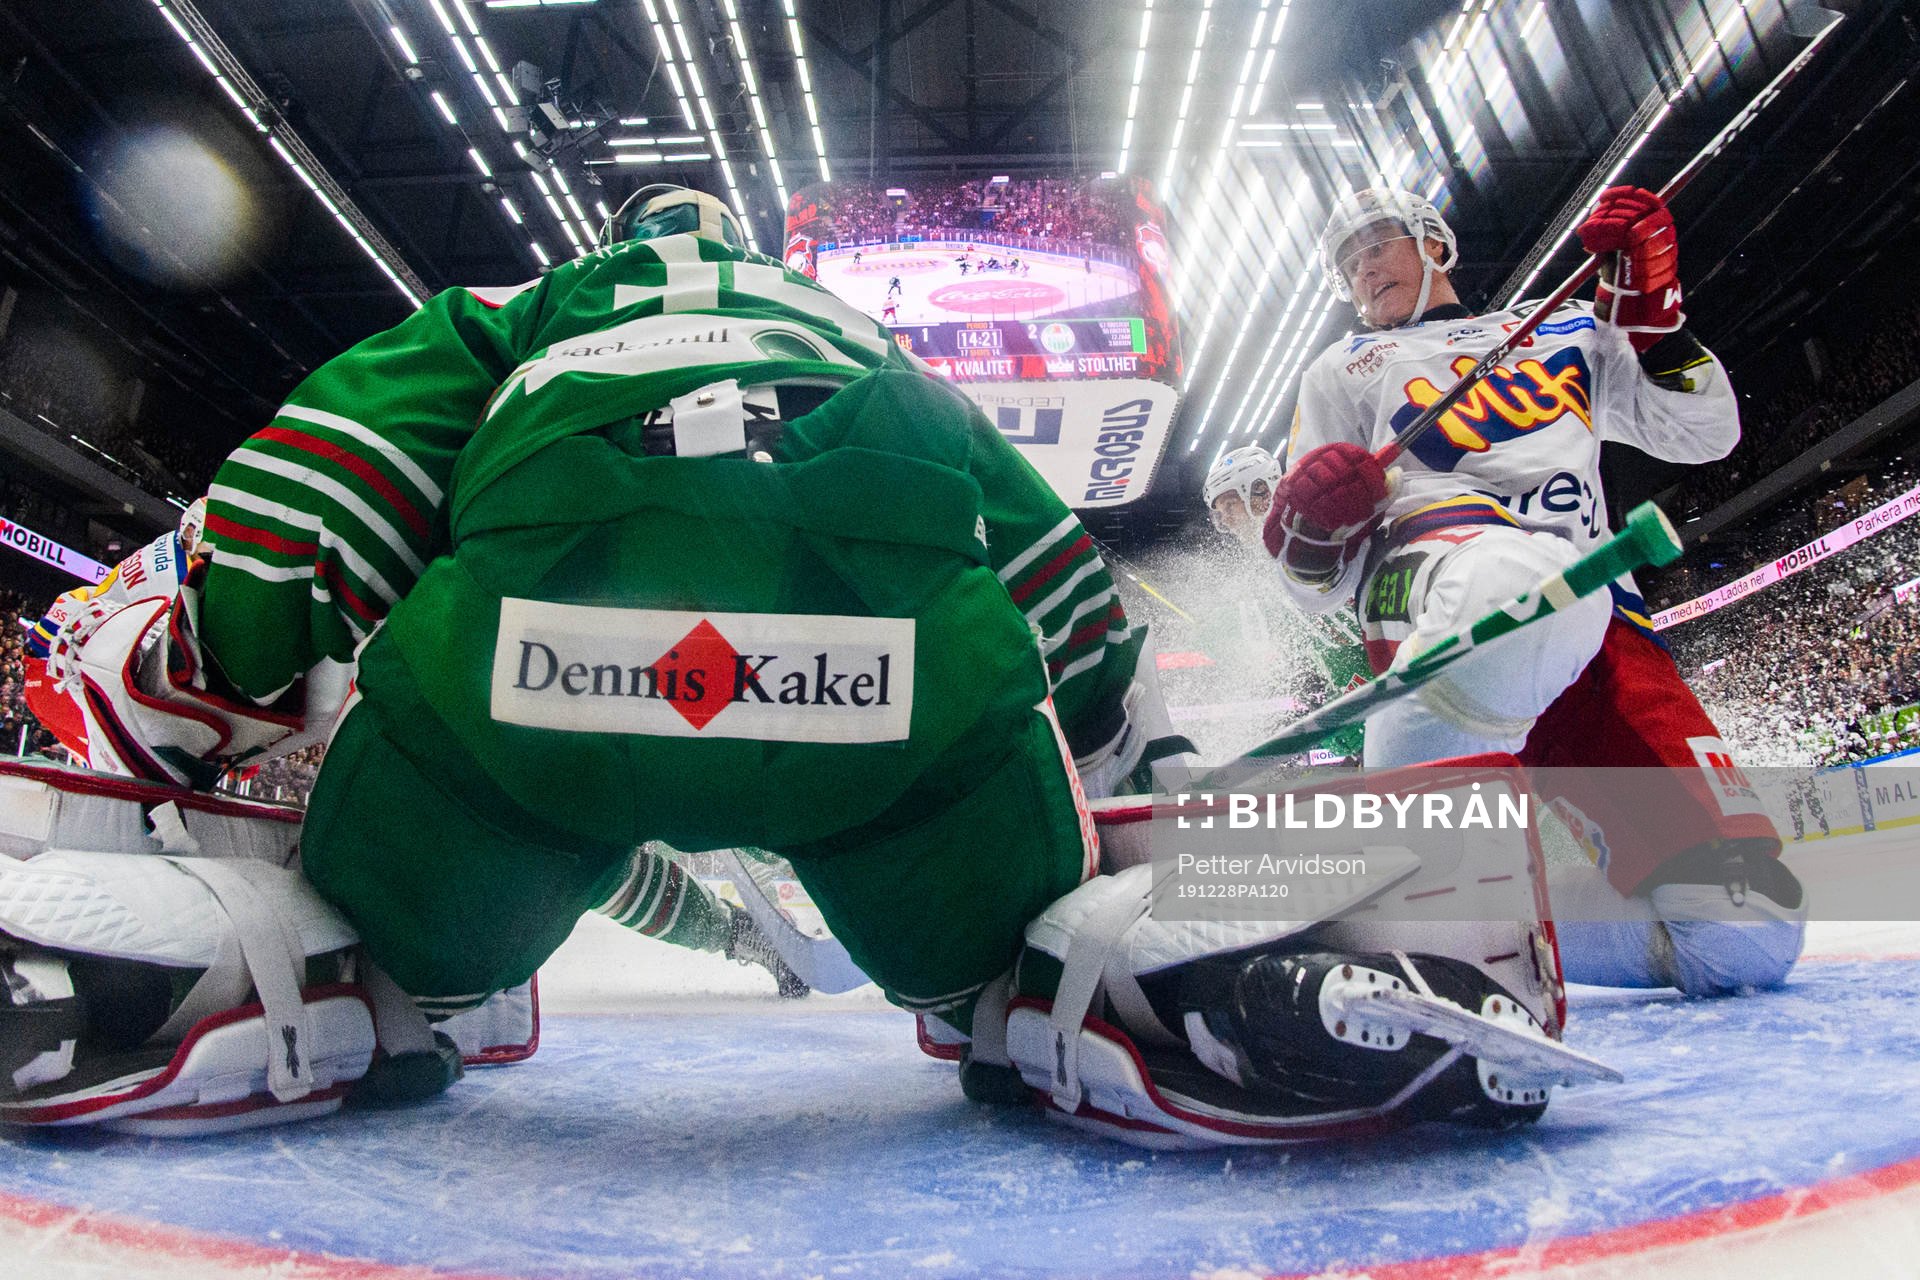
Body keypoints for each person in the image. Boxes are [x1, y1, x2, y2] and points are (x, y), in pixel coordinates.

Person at [0, 185, 1601, 1148]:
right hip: (892, 684)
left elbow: (317, 471)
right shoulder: (861, 338)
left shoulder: (516, 309)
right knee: (1007, 955)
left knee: (402, 952)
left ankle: (246, 976)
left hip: (526, 674)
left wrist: (244, 679)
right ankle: (1157, 985)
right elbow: (1050, 571)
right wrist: (1129, 763)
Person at [1262, 186, 1805, 997]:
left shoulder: (1566, 324)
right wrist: (1311, 527)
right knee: (1502, 576)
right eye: (1347, 261)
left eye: (1376, 241)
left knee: (1749, 930)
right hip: (1439, 584)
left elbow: (1704, 432)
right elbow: (1313, 586)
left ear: (1434, 244)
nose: (1362, 266)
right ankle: (1417, 867)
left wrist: (1654, 322)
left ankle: (1440, 916)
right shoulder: (1341, 369)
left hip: (1593, 600)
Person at [1202, 445, 1368, 761]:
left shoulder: (1316, 534)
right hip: (1365, 726)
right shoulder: (1263, 575)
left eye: (1229, 506)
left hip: (1401, 681)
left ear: (1260, 494)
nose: (1227, 521)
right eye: (1220, 514)